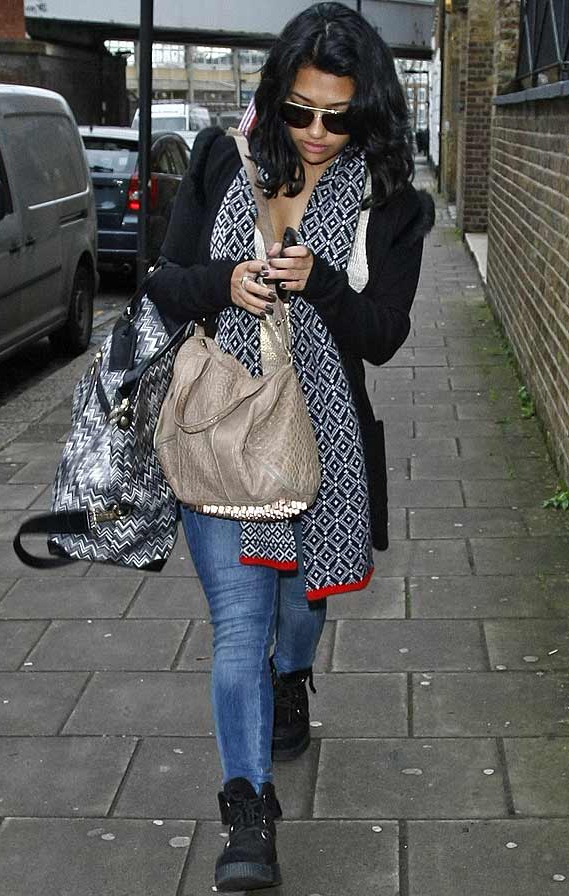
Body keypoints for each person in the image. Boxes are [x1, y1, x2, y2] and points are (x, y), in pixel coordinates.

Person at [147, 2, 435, 890]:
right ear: (277, 98)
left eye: (336, 117)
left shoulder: (392, 204)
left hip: (325, 448)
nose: (315, 132)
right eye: (300, 110)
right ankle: (248, 817)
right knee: (239, 623)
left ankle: (291, 676)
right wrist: (223, 283)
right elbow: (163, 284)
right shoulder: (218, 160)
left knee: (299, 610)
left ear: (366, 112)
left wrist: (321, 287)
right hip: (222, 431)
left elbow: (384, 335)